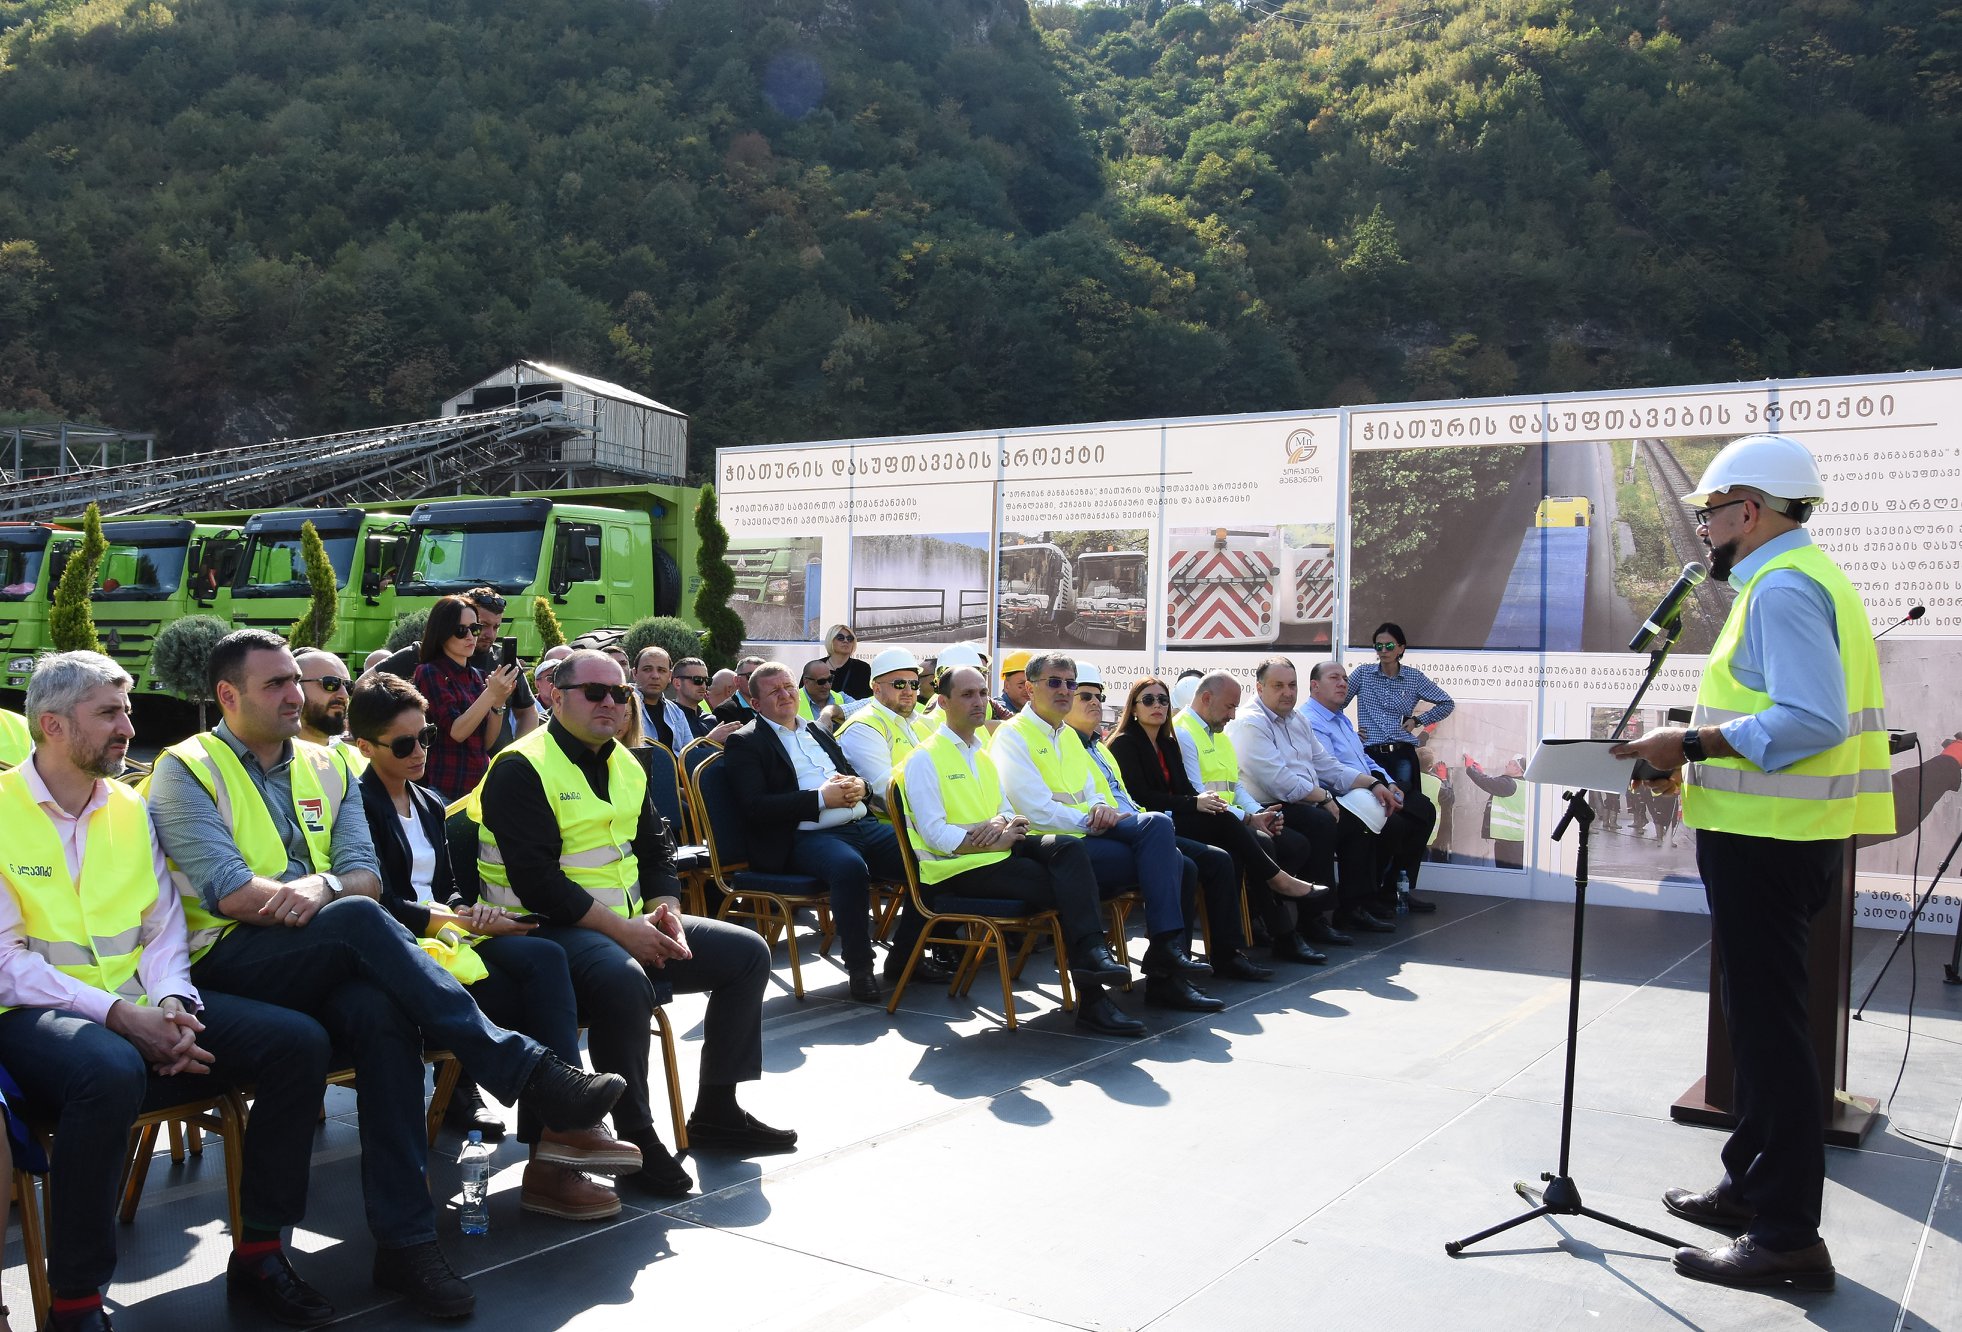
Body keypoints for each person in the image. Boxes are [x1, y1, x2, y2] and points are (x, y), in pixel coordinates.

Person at [146, 629, 625, 1319]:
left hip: (328, 948)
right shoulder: (186, 768)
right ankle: (524, 1068)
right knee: (358, 922)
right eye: (277, 684)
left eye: (297, 680)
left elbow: (364, 877)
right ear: (227, 695)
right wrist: (331, 891)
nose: (297, 695)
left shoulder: (329, 764)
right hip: (228, 957)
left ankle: (401, 1244)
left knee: (382, 1012)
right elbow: (232, 894)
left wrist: (323, 887)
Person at [1612, 433, 1891, 1293]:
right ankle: (1749, 1188)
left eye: (1711, 513)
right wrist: (1690, 756)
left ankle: (1787, 1236)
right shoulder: (1800, 577)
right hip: (1776, 836)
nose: (1703, 528)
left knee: (1771, 1034)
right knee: (1756, 1017)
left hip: (1770, 842)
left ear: (1751, 508)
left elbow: (1811, 720)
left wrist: (1689, 743)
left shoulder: (1783, 588)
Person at [0, 651, 337, 1330]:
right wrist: (120, 1016)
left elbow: (163, 930)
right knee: (107, 1068)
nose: (129, 727)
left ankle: (261, 1252)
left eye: (126, 711)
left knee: (297, 1042)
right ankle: (76, 1305)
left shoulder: (130, 805)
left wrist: (173, 1004)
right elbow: (7, 962)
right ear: (52, 725)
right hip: (29, 1015)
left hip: (139, 1009)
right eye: (109, 714)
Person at [474, 649, 792, 1199]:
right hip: (541, 929)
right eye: (594, 692)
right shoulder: (520, 766)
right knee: (623, 979)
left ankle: (717, 1108)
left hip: (624, 923)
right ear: (555, 697)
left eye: (619, 693)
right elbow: (537, 882)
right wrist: (625, 932)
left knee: (747, 953)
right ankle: (636, 1135)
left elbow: (655, 851)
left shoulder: (625, 761)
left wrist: (667, 912)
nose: (610, 702)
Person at [351, 673, 639, 1222]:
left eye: (427, 737)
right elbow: (378, 902)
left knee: (545, 954)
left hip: (452, 936)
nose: (421, 752)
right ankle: (561, 1137)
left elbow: (449, 886)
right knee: (536, 979)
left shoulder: (429, 801)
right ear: (364, 747)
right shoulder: (357, 806)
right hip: (403, 945)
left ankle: (559, 1135)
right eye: (405, 744)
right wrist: (455, 917)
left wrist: (474, 911)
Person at [898, 665, 1135, 1028]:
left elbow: (1006, 808)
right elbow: (934, 836)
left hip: (998, 851)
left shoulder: (980, 752)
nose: (979, 702)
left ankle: (1093, 956)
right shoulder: (924, 758)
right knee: (1068, 887)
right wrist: (994, 839)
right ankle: (1093, 992)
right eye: (967, 695)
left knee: (1068, 849)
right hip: (957, 870)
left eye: (982, 693)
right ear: (942, 702)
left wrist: (1002, 823)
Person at [990, 652, 1211, 1004]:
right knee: (1177, 863)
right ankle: (1165, 969)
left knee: (1158, 825)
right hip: (1052, 844)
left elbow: (1093, 790)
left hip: (1089, 832)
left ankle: (1166, 956)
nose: (1065, 690)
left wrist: (1099, 808)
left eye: (1070, 683)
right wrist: (1090, 819)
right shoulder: (1012, 736)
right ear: (1030, 689)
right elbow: (1034, 809)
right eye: (1055, 682)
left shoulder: (1068, 735)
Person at [721, 663, 941, 1001]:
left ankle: (905, 957)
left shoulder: (816, 729)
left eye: (788, 686)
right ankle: (860, 967)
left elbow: (855, 775)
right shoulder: (746, 741)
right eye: (774, 691)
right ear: (755, 703)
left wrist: (861, 787)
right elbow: (755, 807)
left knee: (929, 857)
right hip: (805, 836)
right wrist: (821, 799)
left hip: (861, 824)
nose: (785, 694)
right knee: (849, 868)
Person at [1119, 671, 1336, 967]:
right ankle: (1278, 900)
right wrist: (1239, 816)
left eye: (1163, 700)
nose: (1157, 705)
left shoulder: (1169, 741)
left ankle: (1235, 946)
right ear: (1133, 706)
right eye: (1148, 700)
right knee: (1243, 837)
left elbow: (1227, 785)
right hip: (1156, 824)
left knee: (1237, 852)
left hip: (1191, 816)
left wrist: (1255, 814)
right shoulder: (1144, 740)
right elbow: (1147, 796)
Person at [1059, 663, 1226, 1014]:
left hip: (1122, 828)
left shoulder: (1099, 747)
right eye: (1084, 695)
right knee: (1176, 848)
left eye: (1098, 696)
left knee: (1188, 860)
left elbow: (1117, 798)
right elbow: (1073, 805)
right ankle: (1168, 963)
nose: (1094, 702)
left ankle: (1169, 973)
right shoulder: (1086, 743)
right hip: (1081, 838)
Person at [1230, 657, 1406, 934]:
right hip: (1266, 805)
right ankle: (1314, 918)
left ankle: (1352, 908)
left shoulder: (1296, 719)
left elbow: (1328, 765)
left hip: (1301, 801)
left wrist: (1372, 783)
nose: (1287, 692)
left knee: (1359, 823)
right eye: (1278, 686)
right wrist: (1324, 798)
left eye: (1292, 685)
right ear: (1260, 688)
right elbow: (1280, 782)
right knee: (1322, 823)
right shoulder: (1251, 723)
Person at [1304, 661, 1439, 917]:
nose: (1343, 683)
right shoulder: (1311, 720)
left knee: (1422, 809)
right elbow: (1329, 771)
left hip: (1368, 786)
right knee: (1392, 823)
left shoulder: (1341, 718)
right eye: (1334, 678)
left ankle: (1394, 888)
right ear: (1315, 685)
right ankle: (1365, 897)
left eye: (1345, 678)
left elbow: (1364, 758)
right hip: (1342, 795)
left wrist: (1389, 783)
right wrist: (1374, 786)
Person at [377, 588, 539, 749]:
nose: (488, 634)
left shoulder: (482, 672)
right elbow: (457, 732)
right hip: (444, 762)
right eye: (482, 626)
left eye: (476, 628)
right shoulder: (426, 664)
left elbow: (523, 715)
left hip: (489, 763)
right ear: (445, 630)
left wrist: (515, 752)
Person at [412, 595, 522, 803]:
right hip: (444, 788)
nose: (471, 637)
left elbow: (486, 742)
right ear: (442, 632)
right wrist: (491, 694)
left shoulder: (477, 676)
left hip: (478, 787)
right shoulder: (429, 672)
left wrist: (498, 703)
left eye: (475, 629)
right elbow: (457, 732)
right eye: (461, 630)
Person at [1348, 622, 1455, 795]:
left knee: (1404, 802)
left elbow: (1447, 703)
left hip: (1401, 754)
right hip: (1370, 754)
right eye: (1379, 646)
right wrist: (1349, 735)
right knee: (1374, 803)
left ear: (1401, 648)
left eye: (1389, 646)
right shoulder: (1362, 674)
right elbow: (1335, 703)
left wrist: (1417, 720)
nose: (1384, 650)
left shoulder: (1414, 678)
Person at [835, 648, 938, 817]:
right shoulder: (862, 728)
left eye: (914, 684)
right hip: (894, 827)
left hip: (928, 820)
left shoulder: (922, 722)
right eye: (899, 684)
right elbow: (887, 793)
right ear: (876, 689)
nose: (908, 691)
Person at [294, 648, 367, 787]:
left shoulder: (363, 759)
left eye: (348, 686)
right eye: (331, 683)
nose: (344, 695)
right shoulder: (271, 762)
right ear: (296, 687)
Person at [1461, 752, 1528, 868]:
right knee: (1513, 873)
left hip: (1508, 841)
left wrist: (1470, 768)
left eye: (1510, 763)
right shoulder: (1522, 784)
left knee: (1506, 873)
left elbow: (1486, 782)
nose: (1506, 765)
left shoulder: (1510, 784)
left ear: (1517, 769)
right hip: (1515, 839)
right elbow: (1494, 783)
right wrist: (1481, 773)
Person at [633, 646, 703, 752]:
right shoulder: (622, 707)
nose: (655, 676)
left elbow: (691, 754)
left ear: (670, 676)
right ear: (635, 674)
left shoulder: (677, 713)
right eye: (647, 669)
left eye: (661, 670)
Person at [671, 657, 740, 745]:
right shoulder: (668, 717)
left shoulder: (711, 719)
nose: (703, 686)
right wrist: (710, 740)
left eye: (707, 681)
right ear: (677, 683)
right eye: (697, 680)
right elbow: (672, 752)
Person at [818, 623, 871, 701]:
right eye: (840, 638)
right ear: (831, 640)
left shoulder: (862, 668)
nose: (846, 641)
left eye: (850, 638)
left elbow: (868, 699)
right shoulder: (815, 667)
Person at [995, 650, 1032, 716]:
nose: (1028, 689)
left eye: (1031, 683)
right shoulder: (996, 709)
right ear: (1007, 686)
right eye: (1022, 684)